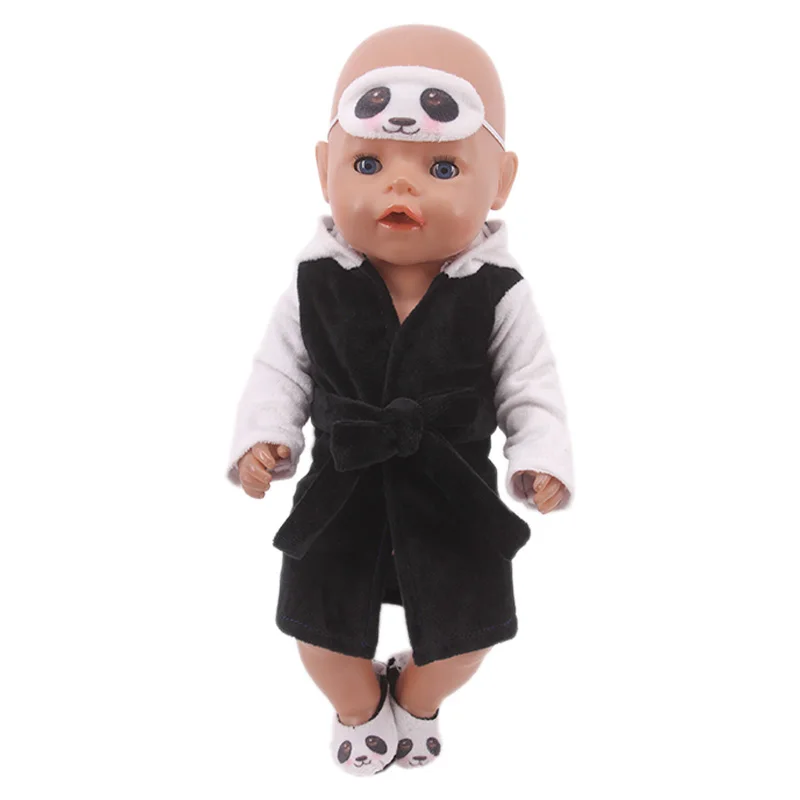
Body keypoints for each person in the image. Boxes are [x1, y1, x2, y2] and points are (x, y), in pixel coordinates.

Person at [227, 24, 574, 775]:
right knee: (319, 631)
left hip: (452, 494)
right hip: (340, 489)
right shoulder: (315, 283)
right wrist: (264, 438)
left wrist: (539, 456)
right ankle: (357, 706)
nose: (400, 186)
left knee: (468, 634)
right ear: (324, 170)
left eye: (443, 166)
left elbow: (530, 383)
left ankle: (417, 697)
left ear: (501, 182)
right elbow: (279, 371)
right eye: (368, 163)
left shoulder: (498, 291)